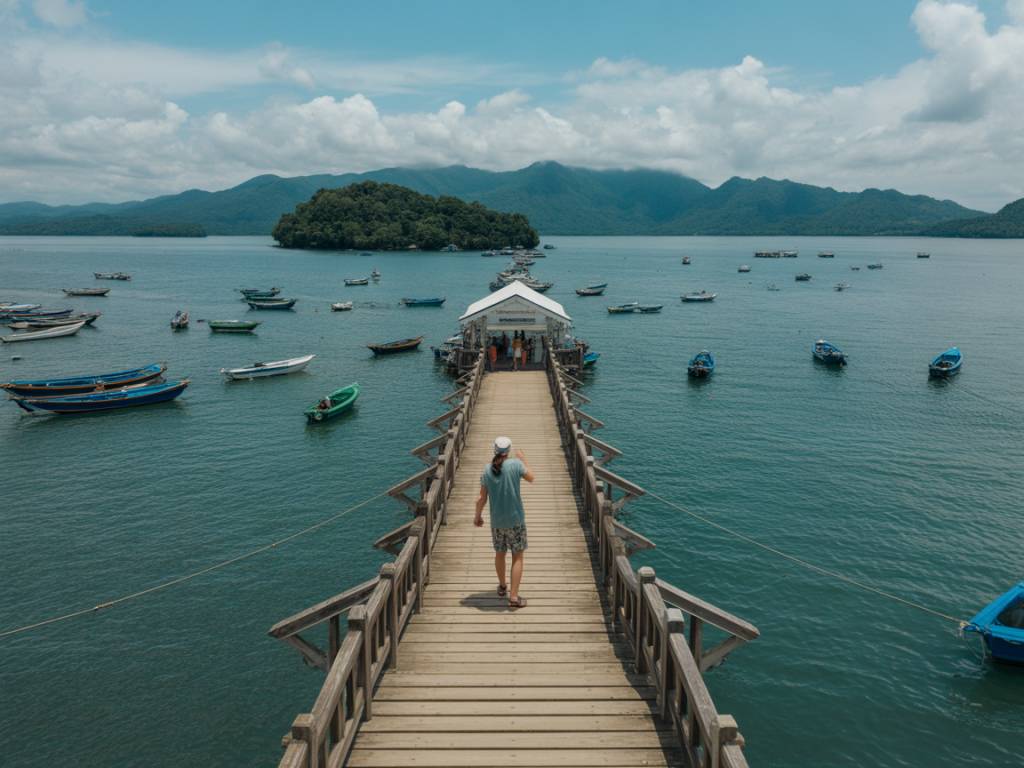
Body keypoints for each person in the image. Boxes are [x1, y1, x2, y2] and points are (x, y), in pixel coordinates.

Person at [475, 436, 534, 608]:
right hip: (516, 520)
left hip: (497, 522)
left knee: (500, 553)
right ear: (508, 451)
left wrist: (477, 516)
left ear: (494, 450)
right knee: (518, 557)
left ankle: (502, 586)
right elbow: (532, 477)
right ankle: (514, 598)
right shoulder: (516, 464)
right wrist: (524, 460)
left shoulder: (486, 470)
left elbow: (481, 498)